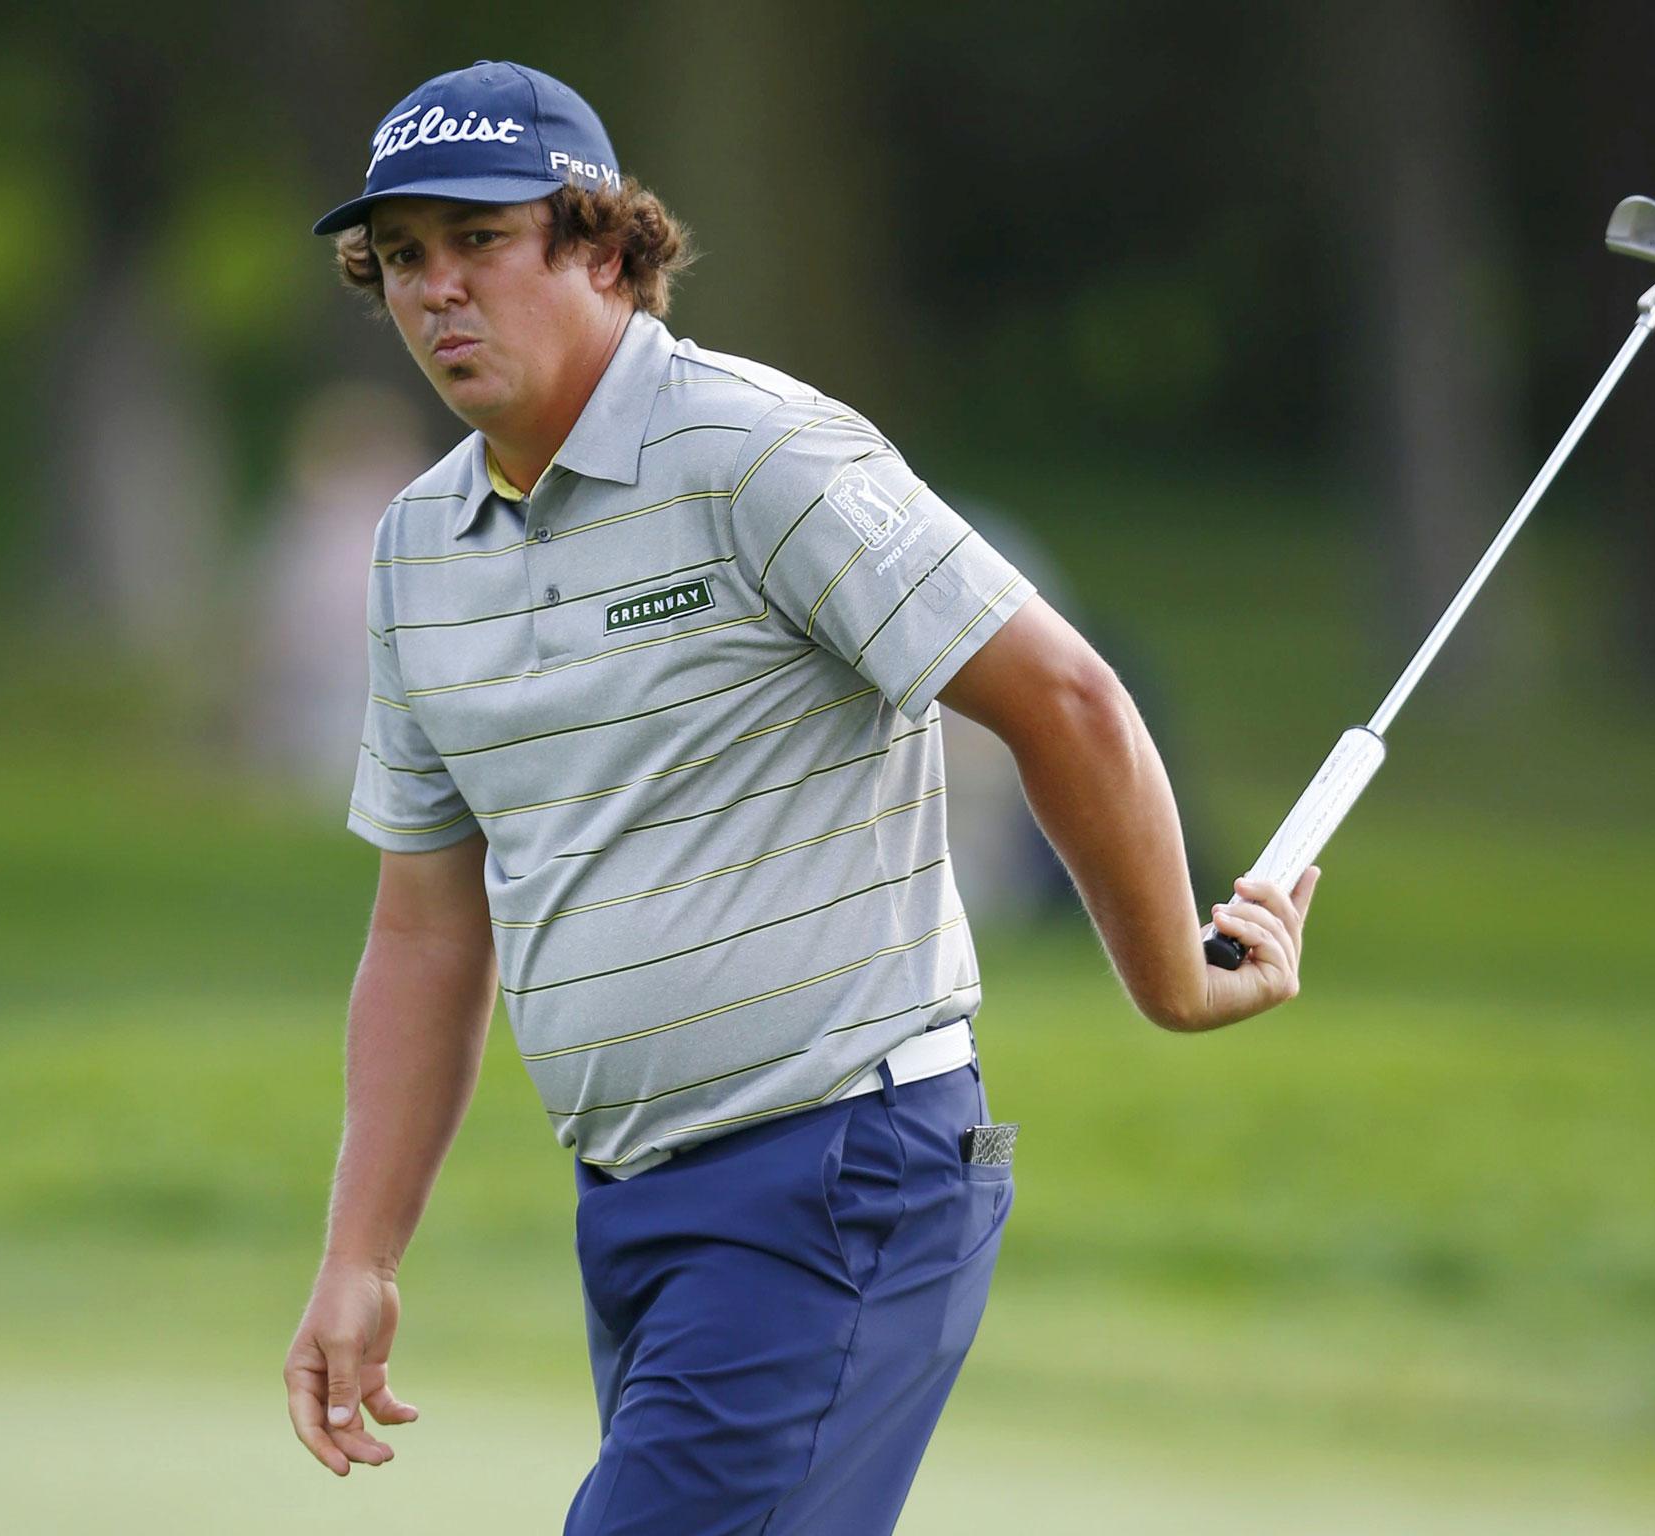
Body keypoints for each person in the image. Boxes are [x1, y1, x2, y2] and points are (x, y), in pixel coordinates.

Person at [283, 60, 1319, 1534]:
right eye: (401, 259)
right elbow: (429, 935)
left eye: (479, 240)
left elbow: (1066, 699)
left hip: (837, 1171)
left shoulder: (755, 451)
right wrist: (361, 1256)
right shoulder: (419, 550)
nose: (435, 288)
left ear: (599, 241)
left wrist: (1175, 981)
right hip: (635, 1208)